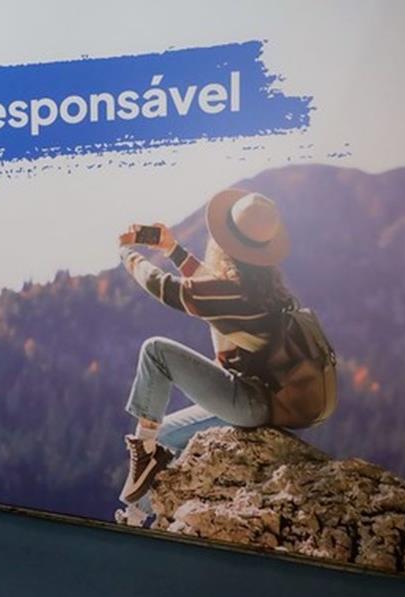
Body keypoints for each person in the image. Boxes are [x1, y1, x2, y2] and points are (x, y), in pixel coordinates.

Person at [114, 189, 296, 525]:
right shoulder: (264, 290)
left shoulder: (232, 292)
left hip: (249, 402)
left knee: (155, 352)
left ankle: (144, 453)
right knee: (165, 435)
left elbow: (163, 286)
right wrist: (172, 249)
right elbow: (208, 285)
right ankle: (137, 516)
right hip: (265, 401)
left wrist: (126, 252)